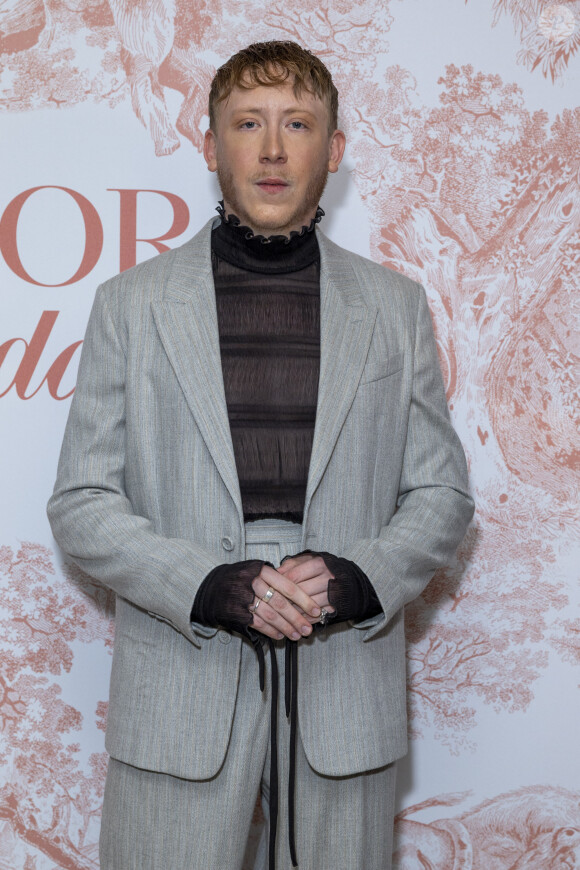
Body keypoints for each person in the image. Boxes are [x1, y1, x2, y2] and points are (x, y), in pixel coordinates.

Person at [47, 40, 474, 870]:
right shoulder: (129, 307)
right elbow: (82, 501)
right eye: (248, 123)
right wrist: (205, 584)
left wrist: (358, 579)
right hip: (179, 685)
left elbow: (442, 495)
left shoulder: (395, 307)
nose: (273, 149)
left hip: (346, 690)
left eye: (298, 124)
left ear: (335, 152)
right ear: (211, 147)